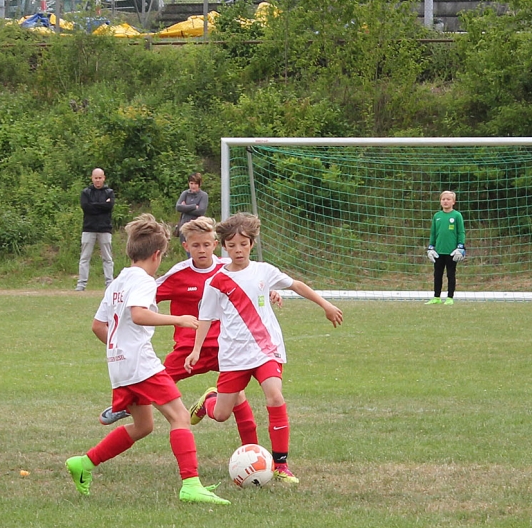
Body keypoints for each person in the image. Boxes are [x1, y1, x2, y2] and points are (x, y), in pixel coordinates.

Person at [65, 213, 230, 506]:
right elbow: (139, 314)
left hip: (119, 366)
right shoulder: (143, 280)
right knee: (180, 417)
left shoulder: (118, 282)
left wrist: (118, 348)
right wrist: (178, 319)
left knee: (143, 426)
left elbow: (98, 326)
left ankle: (84, 463)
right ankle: (191, 485)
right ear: (156, 255)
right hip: (140, 364)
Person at [100, 217, 281, 457]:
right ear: (186, 247)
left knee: (237, 394)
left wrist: (271, 291)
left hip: (225, 347)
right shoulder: (178, 274)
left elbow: (254, 279)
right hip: (189, 349)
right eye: (196, 245)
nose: (202, 250)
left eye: (206, 244)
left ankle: (251, 452)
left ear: (215, 244)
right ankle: (128, 404)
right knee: (154, 381)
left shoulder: (228, 267)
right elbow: (142, 297)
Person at [186, 212, 344, 484]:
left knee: (275, 397)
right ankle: (209, 401)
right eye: (232, 245)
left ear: (252, 244)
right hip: (234, 355)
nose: (238, 250)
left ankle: (281, 464)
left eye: (243, 244)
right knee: (221, 414)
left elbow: (296, 285)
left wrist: (325, 305)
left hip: (265, 349)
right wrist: (196, 350)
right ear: (224, 246)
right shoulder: (216, 282)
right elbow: (206, 318)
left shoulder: (263, 270)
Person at [76, 168, 114, 291]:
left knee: (107, 258)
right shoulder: (86, 192)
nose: (98, 180)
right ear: (92, 178)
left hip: (105, 228)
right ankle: (81, 284)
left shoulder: (109, 192)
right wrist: (102, 205)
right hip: (88, 228)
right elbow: (86, 207)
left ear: (104, 178)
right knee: (85, 257)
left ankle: (110, 284)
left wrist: (94, 205)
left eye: (100, 178)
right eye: (95, 178)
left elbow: (109, 207)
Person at [425, 190, 466, 305]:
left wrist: (461, 246)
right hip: (438, 251)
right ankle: (436, 297)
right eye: (443, 199)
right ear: (440, 201)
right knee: (437, 274)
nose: (445, 201)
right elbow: (433, 233)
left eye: (448, 199)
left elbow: (461, 232)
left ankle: (450, 298)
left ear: (453, 202)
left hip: (452, 251)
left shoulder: (457, 215)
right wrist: (431, 247)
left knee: (450, 274)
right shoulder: (437, 216)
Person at [173, 172, 208, 242]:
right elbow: (178, 207)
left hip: (197, 228)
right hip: (184, 227)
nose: (193, 186)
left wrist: (185, 207)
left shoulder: (203, 195)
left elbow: (201, 211)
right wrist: (194, 206)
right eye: (191, 183)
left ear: (199, 184)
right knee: (185, 246)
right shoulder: (185, 193)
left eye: (196, 184)